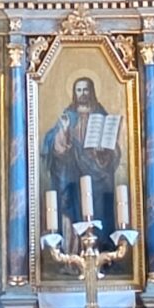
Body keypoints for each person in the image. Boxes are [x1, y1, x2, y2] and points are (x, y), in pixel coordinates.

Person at [44, 75, 123, 232]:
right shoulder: (68, 115)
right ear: (74, 92)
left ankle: (100, 241)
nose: (82, 93)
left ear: (91, 91)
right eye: (79, 90)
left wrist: (104, 151)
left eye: (85, 89)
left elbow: (113, 147)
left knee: (99, 205)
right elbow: (54, 143)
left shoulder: (101, 114)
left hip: (97, 173)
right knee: (72, 203)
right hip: (72, 172)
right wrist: (64, 131)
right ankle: (74, 242)